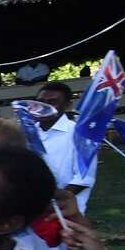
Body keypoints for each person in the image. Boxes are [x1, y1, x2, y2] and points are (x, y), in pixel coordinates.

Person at [35, 81, 98, 212]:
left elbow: (83, 178)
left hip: (66, 213)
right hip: (32, 211)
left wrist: (52, 202)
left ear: (68, 105)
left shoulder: (81, 135)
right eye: (40, 102)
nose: (44, 107)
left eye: (52, 102)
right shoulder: (27, 132)